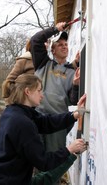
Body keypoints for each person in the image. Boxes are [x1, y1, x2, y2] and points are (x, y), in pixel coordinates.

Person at [0, 74, 87, 185]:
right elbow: (43, 162)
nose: (42, 96)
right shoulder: (22, 123)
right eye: (39, 91)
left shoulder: (14, 111)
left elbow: (45, 122)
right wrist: (69, 149)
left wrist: (74, 115)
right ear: (27, 92)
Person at [30, 22, 81, 153]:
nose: (64, 47)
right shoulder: (43, 63)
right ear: (52, 50)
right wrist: (55, 29)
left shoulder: (72, 72)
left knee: (53, 161)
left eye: (66, 45)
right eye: (60, 45)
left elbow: (73, 100)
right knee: (34, 157)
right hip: (36, 117)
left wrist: (75, 85)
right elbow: (35, 40)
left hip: (57, 122)